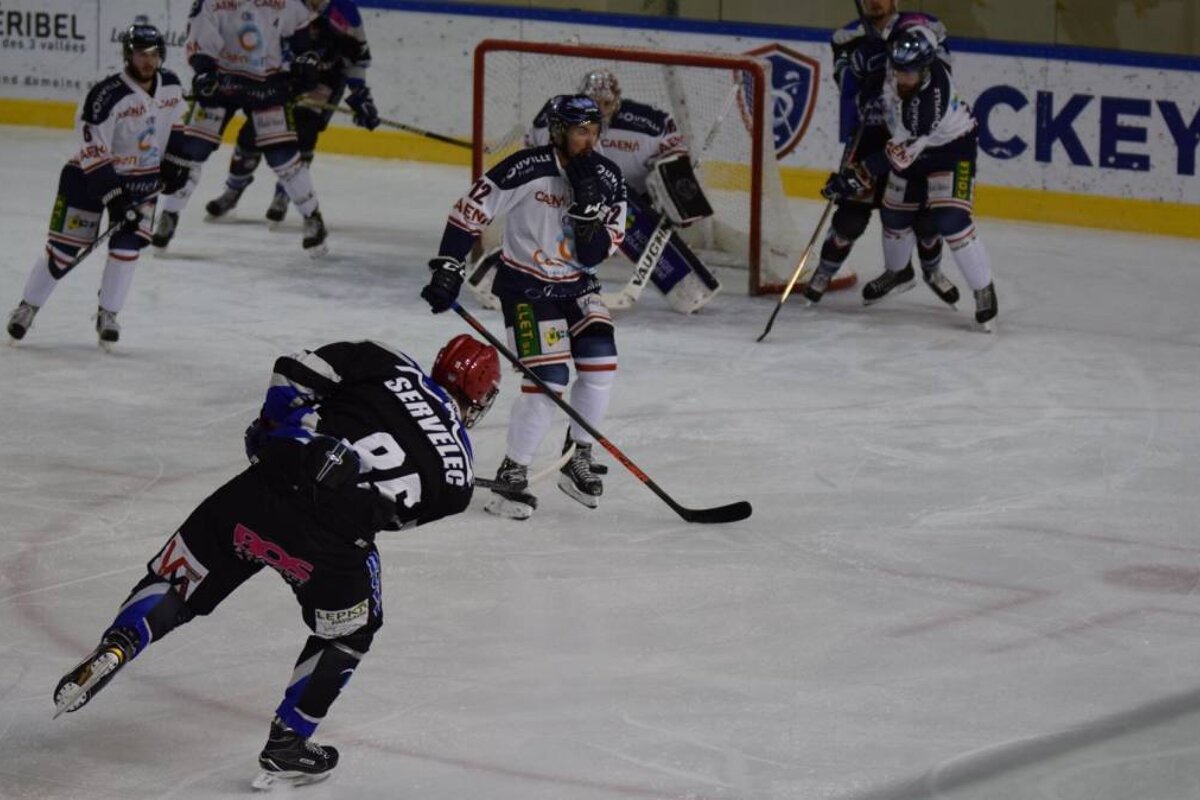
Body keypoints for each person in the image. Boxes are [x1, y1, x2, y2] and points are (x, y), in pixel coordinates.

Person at [52, 336, 501, 790]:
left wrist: (276, 432)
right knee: (350, 629)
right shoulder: (459, 474)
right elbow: (388, 518)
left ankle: (121, 643)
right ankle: (289, 741)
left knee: (177, 581)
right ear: (479, 397)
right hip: (330, 546)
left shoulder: (389, 361)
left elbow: (295, 369)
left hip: (261, 492)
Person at [421, 94, 628, 520]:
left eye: (592, 131)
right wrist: (447, 265)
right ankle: (512, 473)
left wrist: (588, 215)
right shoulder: (526, 167)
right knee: (549, 380)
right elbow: (469, 210)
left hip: (578, 285)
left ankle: (578, 456)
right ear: (558, 132)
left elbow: (593, 254)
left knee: (601, 362)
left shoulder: (609, 176)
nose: (587, 140)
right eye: (578, 131)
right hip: (526, 287)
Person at [5, 20, 189, 346]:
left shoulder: (172, 86)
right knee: (63, 250)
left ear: (160, 55)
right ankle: (28, 307)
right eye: (139, 54)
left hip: (142, 183)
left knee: (127, 246)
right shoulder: (105, 96)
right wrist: (113, 195)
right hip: (87, 180)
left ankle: (109, 314)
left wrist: (177, 161)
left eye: (152, 54)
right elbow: (92, 149)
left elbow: (176, 125)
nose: (146, 61)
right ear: (128, 56)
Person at [822, 24, 998, 331]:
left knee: (951, 220)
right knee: (893, 215)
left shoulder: (927, 108)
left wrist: (852, 178)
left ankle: (984, 290)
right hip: (910, 147)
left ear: (926, 68)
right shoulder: (902, 60)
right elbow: (913, 33)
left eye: (910, 73)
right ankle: (899, 272)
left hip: (950, 152)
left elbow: (892, 155)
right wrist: (873, 54)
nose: (902, 78)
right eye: (898, 69)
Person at [804, 0, 959, 307]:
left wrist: (893, 65)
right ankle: (824, 271)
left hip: (914, 135)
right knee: (850, 216)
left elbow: (941, 75)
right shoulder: (847, 37)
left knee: (926, 219)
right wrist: (869, 72)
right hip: (870, 134)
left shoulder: (927, 27)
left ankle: (932, 271)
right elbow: (846, 86)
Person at [151, 0, 330, 255]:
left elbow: (302, 38)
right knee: (192, 151)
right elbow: (200, 41)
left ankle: (312, 217)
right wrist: (204, 71)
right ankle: (169, 213)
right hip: (222, 82)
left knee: (284, 157)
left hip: (267, 84)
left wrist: (306, 61)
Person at [204, 0, 378, 224]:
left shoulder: (345, 11)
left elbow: (357, 58)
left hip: (323, 81)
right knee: (253, 132)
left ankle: (284, 193)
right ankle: (233, 190)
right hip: (283, 76)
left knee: (305, 131)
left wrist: (360, 95)